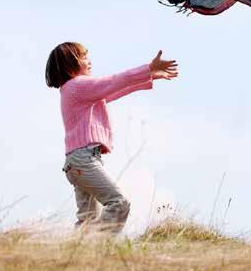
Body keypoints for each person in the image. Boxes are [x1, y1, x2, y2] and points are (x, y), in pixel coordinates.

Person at [45, 43, 178, 231]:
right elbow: (115, 81)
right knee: (119, 203)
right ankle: (99, 247)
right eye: (83, 57)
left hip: (78, 161)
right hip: (83, 160)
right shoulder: (77, 86)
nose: (89, 61)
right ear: (69, 64)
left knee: (87, 222)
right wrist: (147, 69)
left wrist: (148, 77)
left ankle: (78, 254)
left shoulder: (73, 90)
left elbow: (114, 90)